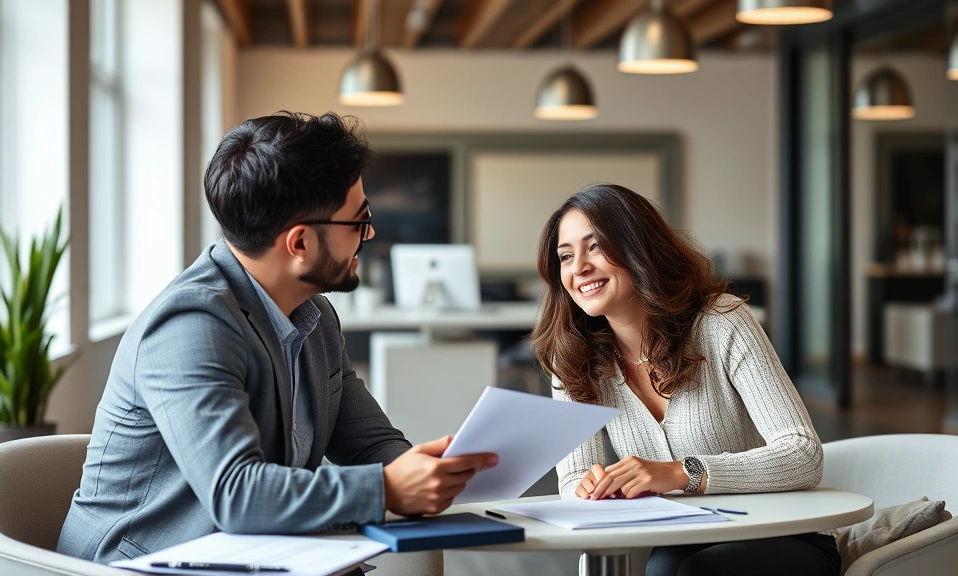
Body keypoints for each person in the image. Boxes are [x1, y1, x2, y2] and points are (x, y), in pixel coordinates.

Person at [58, 112, 496, 564]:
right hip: (142, 565)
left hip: (255, 555)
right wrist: (386, 489)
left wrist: (423, 469)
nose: (370, 233)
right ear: (300, 243)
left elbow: (368, 444)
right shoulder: (190, 324)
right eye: (358, 221)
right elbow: (237, 494)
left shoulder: (315, 317)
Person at [531, 184, 839, 576]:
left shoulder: (721, 322)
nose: (579, 268)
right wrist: (589, 487)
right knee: (662, 569)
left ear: (638, 248)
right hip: (681, 535)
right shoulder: (573, 357)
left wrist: (680, 473)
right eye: (566, 256)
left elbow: (803, 454)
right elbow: (573, 477)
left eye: (595, 247)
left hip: (786, 534)